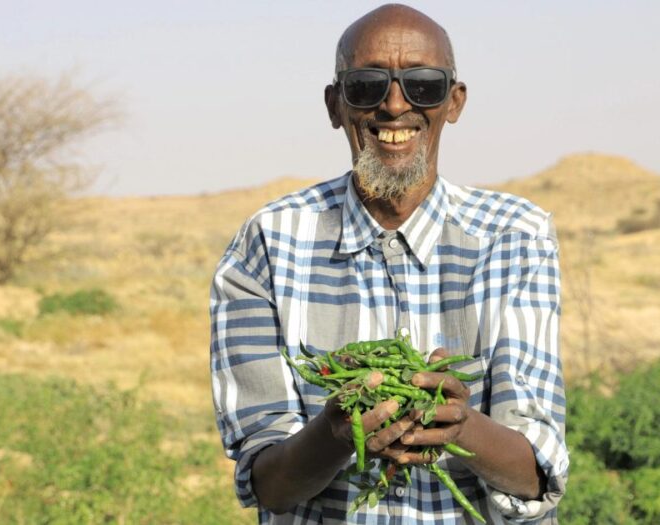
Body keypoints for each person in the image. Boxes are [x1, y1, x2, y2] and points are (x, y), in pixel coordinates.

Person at [210, 4, 568, 524]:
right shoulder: (267, 241)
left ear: (453, 102)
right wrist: (337, 434)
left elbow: (537, 473)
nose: (395, 106)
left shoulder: (515, 236)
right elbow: (269, 484)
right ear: (336, 105)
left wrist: (460, 425)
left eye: (423, 85)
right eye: (366, 86)